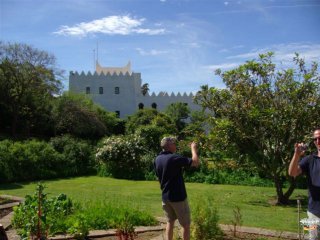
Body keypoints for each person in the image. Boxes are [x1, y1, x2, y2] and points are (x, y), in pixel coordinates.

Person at [154, 137, 199, 240]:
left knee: (170, 222)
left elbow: (158, 178)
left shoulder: (157, 159)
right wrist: (193, 148)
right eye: (174, 143)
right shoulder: (174, 158)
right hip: (178, 197)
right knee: (186, 225)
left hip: (165, 197)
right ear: (169, 146)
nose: (175, 145)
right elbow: (195, 162)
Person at [288, 128, 320, 239]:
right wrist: (296, 155)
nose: (318, 141)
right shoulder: (309, 160)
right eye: (315, 139)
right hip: (314, 213)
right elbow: (292, 173)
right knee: (313, 238)